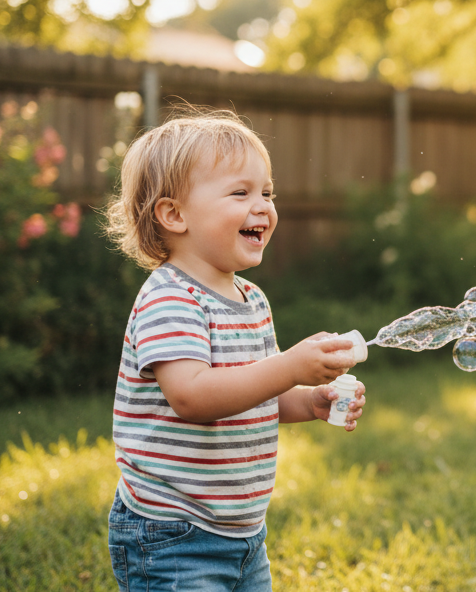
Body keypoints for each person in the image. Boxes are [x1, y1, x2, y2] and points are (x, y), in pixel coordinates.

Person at [102, 107, 364, 591]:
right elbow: (193, 396)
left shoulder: (252, 300)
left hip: (242, 531)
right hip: (172, 532)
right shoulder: (170, 298)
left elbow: (257, 393)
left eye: (267, 192)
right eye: (241, 193)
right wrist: (290, 367)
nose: (262, 206)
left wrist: (309, 400)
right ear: (174, 215)